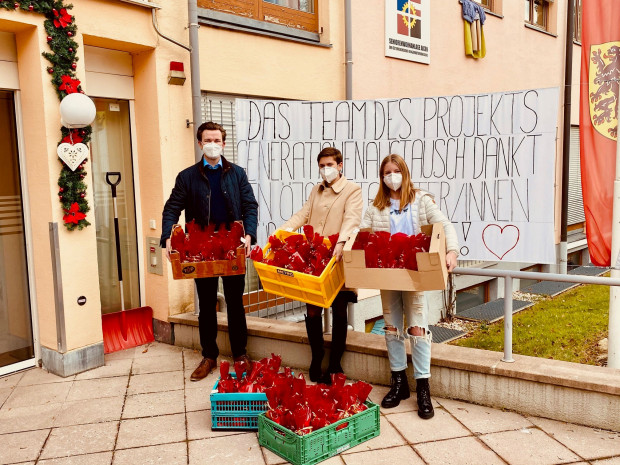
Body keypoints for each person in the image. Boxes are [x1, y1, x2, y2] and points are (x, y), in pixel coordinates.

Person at [359, 154, 458, 419]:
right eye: (386, 173)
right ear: (381, 178)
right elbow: (363, 235)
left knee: (418, 327)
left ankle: (423, 387)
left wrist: (452, 250)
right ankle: (398, 382)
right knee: (391, 327)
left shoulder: (421, 200)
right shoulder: (376, 205)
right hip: (386, 273)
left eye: (395, 171)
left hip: (415, 273)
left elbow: (443, 224)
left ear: (404, 171)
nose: (391, 177)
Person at [161, 121, 258, 382]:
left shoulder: (237, 173)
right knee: (206, 305)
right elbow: (172, 208)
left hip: (232, 247)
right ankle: (209, 357)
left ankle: (240, 355)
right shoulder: (187, 177)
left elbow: (250, 205)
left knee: (236, 303)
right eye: (207, 140)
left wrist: (249, 234)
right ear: (200, 143)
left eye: (217, 140)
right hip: (200, 249)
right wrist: (168, 236)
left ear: (224, 144)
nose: (212, 144)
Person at [281, 147, 363, 384]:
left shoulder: (352, 190)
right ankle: (316, 358)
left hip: (337, 257)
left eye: (330, 164)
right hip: (314, 257)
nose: (326, 169)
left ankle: (336, 363)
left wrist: (342, 241)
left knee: (339, 311)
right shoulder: (316, 190)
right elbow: (304, 214)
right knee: (313, 310)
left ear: (340, 165)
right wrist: (284, 231)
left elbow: (352, 218)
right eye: (322, 165)